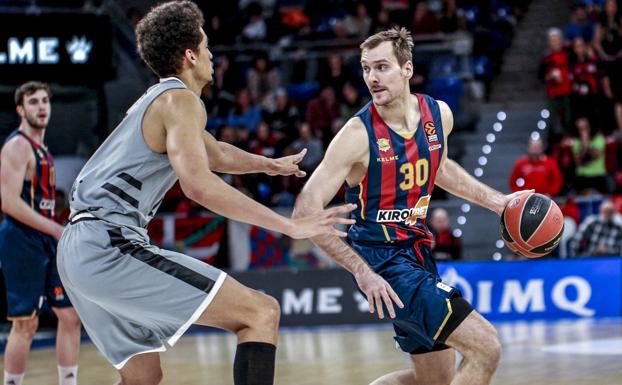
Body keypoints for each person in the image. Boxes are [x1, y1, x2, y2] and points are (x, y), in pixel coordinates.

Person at [56, 2, 355, 385]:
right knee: (261, 313)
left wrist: (269, 164)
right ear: (190, 55)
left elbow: (217, 154)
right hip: (108, 244)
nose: (213, 55)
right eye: (207, 46)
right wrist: (287, 225)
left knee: (142, 377)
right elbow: (197, 185)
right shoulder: (181, 100)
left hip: (79, 248)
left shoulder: (160, 101)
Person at [294, 27, 530, 385]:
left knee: (433, 381)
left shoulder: (439, 115)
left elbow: (441, 168)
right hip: (384, 264)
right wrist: (360, 271)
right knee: (487, 347)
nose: (372, 77)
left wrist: (498, 202)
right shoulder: (356, 135)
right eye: (366, 68)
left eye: (382, 67)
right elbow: (304, 211)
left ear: (407, 69)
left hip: (418, 255)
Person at [0, 82, 81, 385]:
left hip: (46, 237)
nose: (42, 106)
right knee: (26, 325)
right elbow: (8, 202)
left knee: (70, 316)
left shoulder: (42, 149)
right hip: (21, 239)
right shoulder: (17, 146)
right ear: (21, 110)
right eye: (33, 102)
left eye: (45, 100)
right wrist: (56, 228)